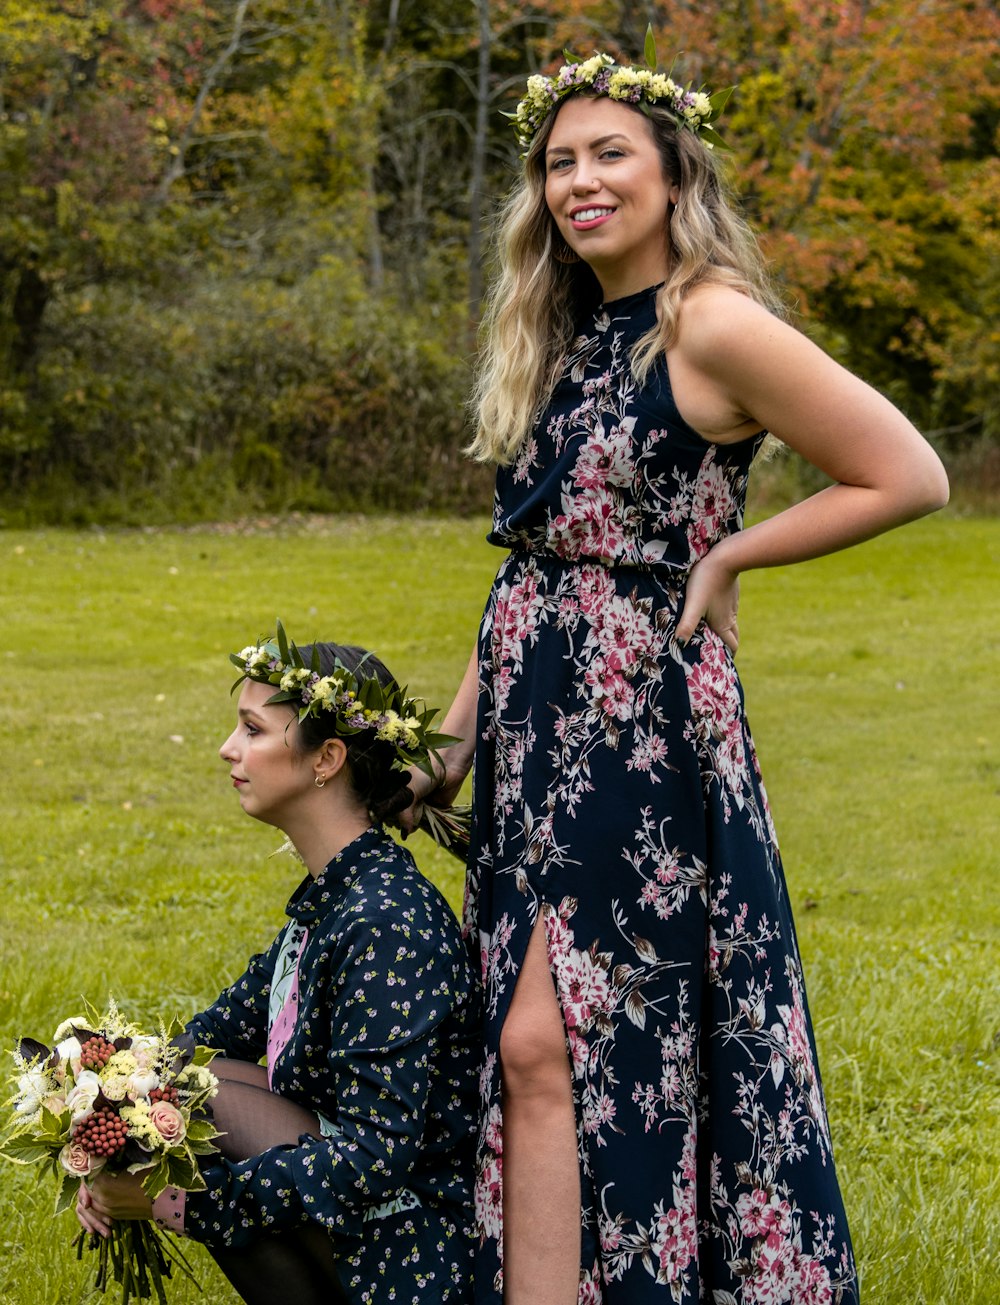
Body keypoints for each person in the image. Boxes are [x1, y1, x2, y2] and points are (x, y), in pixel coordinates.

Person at [403, 44, 949, 1305]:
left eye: (609, 156)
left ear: (671, 172)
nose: (579, 183)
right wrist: (453, 738)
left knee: (573, 1034)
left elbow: (906, 473)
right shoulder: (569, 332)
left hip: (639, 729)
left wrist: (732, 555)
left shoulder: (708, 320)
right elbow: (535, 574)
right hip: (540, 720)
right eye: (557, 164)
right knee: (531, 1048)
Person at [76, 629, 480, 1304]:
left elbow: (372, 1159)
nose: (228, 749)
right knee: (176, 1087)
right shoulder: (335, 896)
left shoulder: (385, 920)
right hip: (375, 1227)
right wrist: (113, 1127)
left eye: (252, 729)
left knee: (196, 1104)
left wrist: (175, 1201)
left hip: (419, 1258)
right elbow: (204, 1040)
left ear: (326, 757)